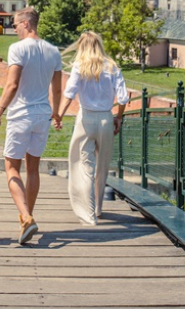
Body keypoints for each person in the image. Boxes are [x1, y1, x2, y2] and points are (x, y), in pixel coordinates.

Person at [0, 7, 62, 245]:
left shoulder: (17, 49)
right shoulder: (53, 50)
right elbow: (57, 89)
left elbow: (12, 85)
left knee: (11, 169)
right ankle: (27, 218)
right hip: (43, 115)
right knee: (33, 169)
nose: (14, 28)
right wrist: (57, 113)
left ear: (27, 23)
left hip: (21, 114)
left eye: (16, 24)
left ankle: (26, 218)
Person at [55, 31, 129, 225]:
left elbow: (69, 93)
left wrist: (59, 115)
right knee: (102, 167)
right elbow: (123, 98)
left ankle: (88, 214)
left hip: (86, 119)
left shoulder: (80, 67)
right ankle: (98, 208)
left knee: (85, 166)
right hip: (106, 118)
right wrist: (118, 118)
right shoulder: (112, 67)